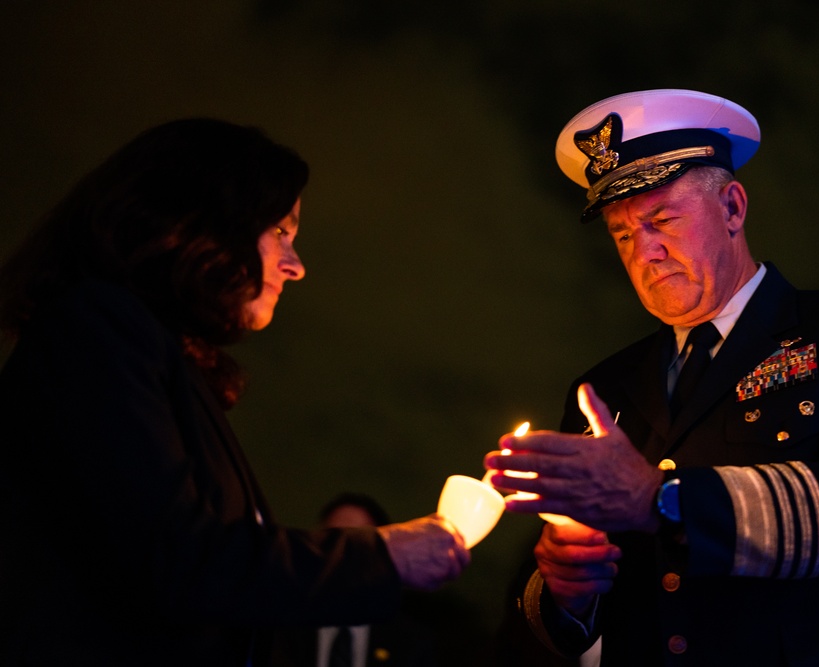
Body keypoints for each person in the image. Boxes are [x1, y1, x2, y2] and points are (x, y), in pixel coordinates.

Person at [484, 89, 819, 665]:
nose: (644, 251)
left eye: (662, 220)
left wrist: (662, 499)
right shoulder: (602, 388)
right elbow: (558, 622)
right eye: (622, 234)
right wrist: (567, 591)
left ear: (731, 207)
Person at [0, 118, 470, 666]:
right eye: (280, 231)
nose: (295, 267)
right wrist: (384, 555)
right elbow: (173, 558)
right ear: (202, 219)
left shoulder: (153, 353)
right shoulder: (97, 329)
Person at [269, 493, 439, 667]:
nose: (343, 557)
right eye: (333, 542)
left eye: (358, 544)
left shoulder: (409, 641)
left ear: (382, 554)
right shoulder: (279, 628)